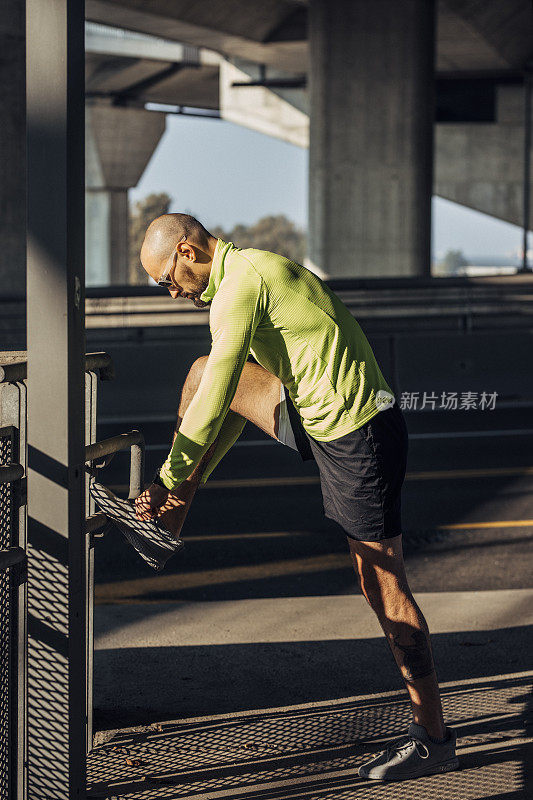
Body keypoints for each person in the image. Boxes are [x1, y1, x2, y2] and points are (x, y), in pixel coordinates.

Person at [95, 212, 459, 782]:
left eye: (166, 280)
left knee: (381, 583)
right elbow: (229, 400)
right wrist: (191, 481)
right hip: (313, 416)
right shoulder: (240, 279)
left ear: (187, 250)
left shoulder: (243, 284)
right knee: (198, 373)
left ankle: (433, 736)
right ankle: (171, 520)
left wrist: (168, 476)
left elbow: (218, 395)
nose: (169, 292)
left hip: (357, 432)